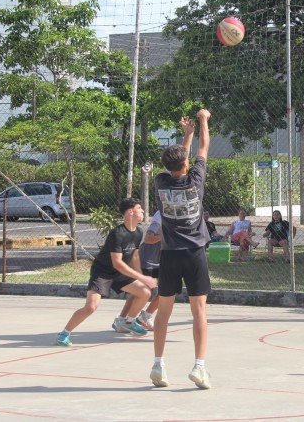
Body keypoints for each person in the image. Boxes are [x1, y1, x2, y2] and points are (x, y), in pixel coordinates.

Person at [151, 109, 212, 390]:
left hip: (170, 254)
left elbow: (183, 159)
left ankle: (158, 364)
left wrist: (186, 135)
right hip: (194, 252)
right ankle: (199, 366)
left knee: (163, 312)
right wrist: (202, 122)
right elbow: (204, 148)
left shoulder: (161, 183)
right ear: (187, 164)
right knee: (198, 310)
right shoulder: (195, 181)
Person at [56, 198, 155, 347]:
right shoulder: (117, 233)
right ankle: (64, 333)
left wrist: (142, 277)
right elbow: (118, 263)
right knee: (91, 307)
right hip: (103, 273)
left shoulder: (139, 232)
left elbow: (134, 255)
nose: (142, 211)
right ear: (130, 212)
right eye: (139, 208)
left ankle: (128, 322)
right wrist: (142, 277)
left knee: (144, 292)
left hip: (120, 274)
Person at [112, 210, 161, 332]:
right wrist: (169, 235)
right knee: (140, 291)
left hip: (164, 259)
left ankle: (145, 317)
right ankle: (122, 319)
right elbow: (149, 238)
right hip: (148, 259)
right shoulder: (160, 216)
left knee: (169, 290)